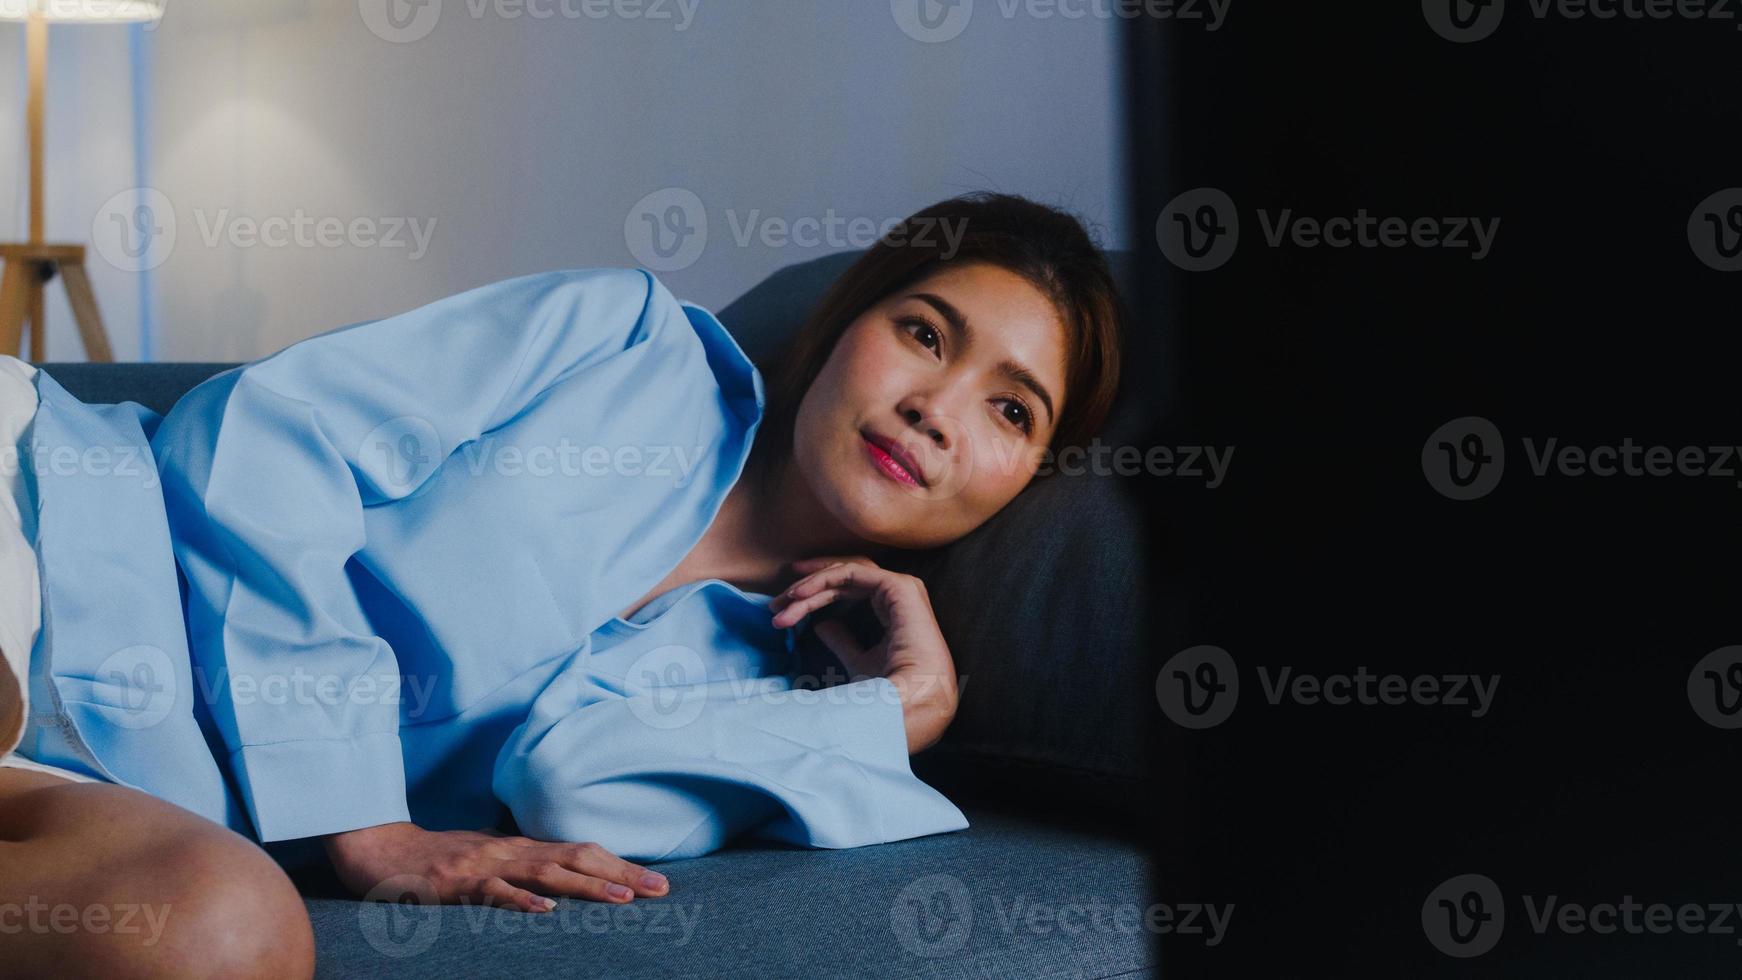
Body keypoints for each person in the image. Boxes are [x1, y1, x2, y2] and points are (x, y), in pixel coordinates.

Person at [0, 191, 1124, 974]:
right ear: (843, 328)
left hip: (111, 778)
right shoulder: (620, 340)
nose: (938, 406)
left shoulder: (775, 688)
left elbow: (570, 789)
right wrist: (358, 814)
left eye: (1008, 408)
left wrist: (889, 717)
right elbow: (256, 441)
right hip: (55, 524)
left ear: (1026, 481)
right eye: (923, 333)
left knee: (220, 937)